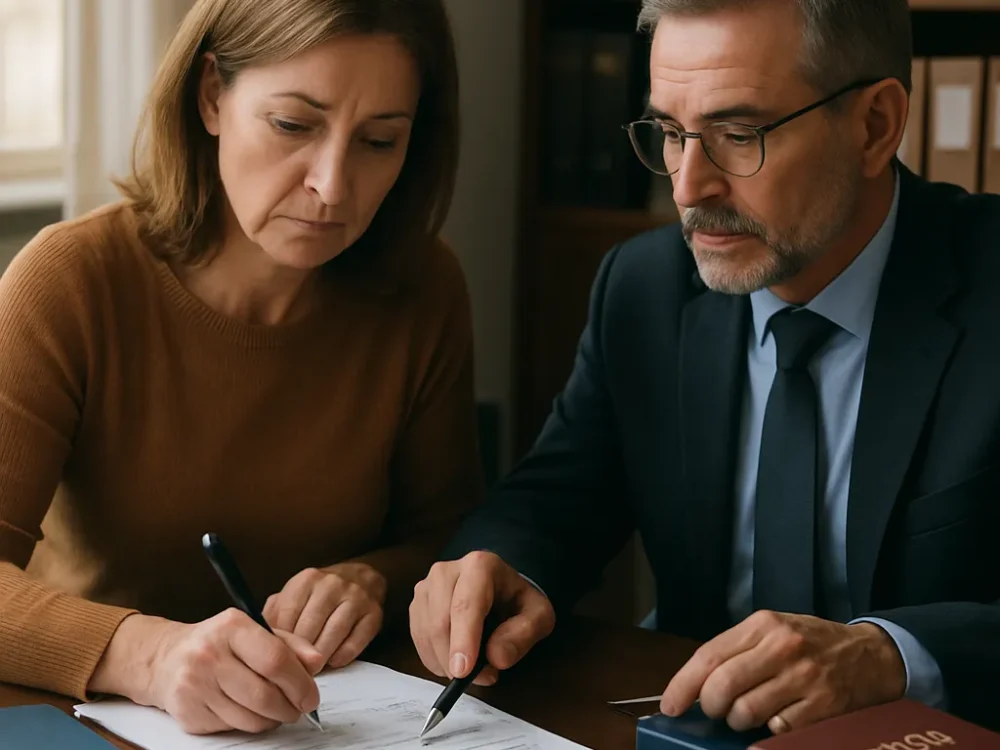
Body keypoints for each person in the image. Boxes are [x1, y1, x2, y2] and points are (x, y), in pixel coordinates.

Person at [408, 0, 1000, 735]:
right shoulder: (645, 288)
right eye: (668, 133)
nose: (688, 187)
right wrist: (496, 567)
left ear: (875, 125)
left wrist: (891, 655)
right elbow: (557, 495)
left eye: (737, 133)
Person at [0, 0, 482, 737]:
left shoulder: (423, 289)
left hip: (327, 723)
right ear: (212, 95)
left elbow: (453, 543)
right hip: (83, 721)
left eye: (379, 141)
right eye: (294, 125)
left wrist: (374, 581)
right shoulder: (69, 283)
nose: (332, 186)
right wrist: (152, 657)